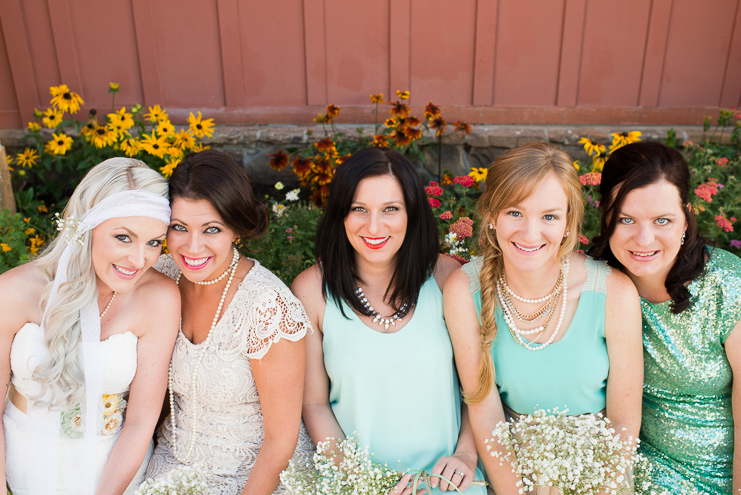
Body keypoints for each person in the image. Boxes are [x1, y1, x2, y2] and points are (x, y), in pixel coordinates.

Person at [444, 142, 644, 494]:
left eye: (549, 216)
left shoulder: (613, 293)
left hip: (598, 464)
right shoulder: (464, 291)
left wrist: (604, 486)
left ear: (568, 223)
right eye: (514, 213)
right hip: (509, 462)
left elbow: (624, 423)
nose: (531, 233)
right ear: (491, 216)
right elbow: (486, 413)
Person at [292, 147, 487, 495]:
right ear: (341, 214)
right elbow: (314, 403)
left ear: (411, 213)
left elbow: (478, 386)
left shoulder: (447, 278)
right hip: (355, 481)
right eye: (359, 209)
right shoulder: (312, 291)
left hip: (449, 479)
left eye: (390, 209)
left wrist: (466, 453)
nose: (374, 226)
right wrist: (362, 482)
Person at [0, 157, 179, 494]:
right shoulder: (13, 291)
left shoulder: (159, 298)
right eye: (123, 237)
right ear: (85, 228)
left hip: (114, 469)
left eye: (154, 242)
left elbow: (141, 421)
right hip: (28, 462)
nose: (139, 259)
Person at [145, 149, 314, 495]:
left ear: (236, 229)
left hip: (258, 477)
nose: (193, 247)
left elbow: (281, 441)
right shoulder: (162, 278)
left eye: (211, 229)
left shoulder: (267, 305)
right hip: (173, 464)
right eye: (179, 227)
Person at [587, 140, 741, 494]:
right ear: (607, 216)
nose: (644, 239)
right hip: (630, 471)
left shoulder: (727, 285)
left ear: (686, 216)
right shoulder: (593, 283)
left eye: (663, 220)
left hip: (722, 478)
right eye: (626, 218)